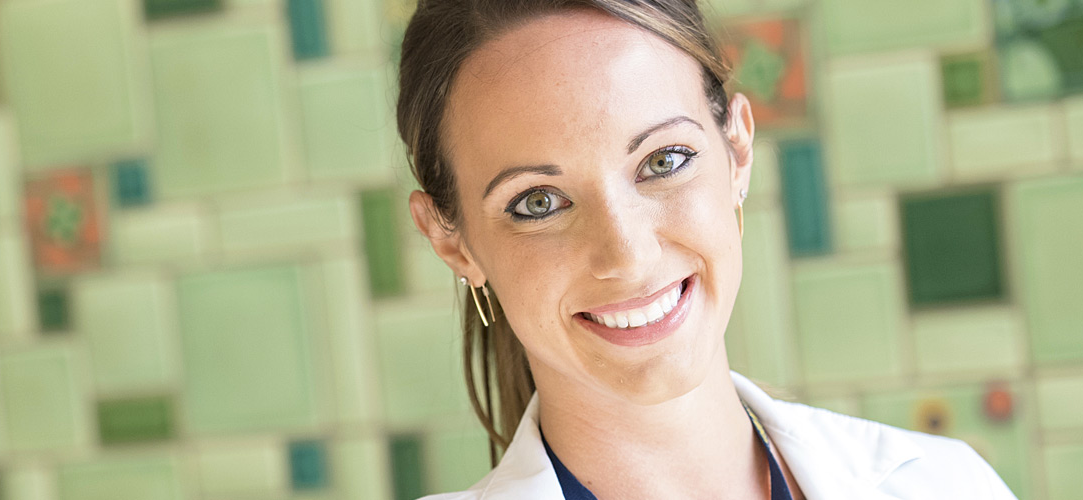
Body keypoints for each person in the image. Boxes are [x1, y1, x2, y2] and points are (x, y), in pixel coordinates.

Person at [394, 1, 1018, 498]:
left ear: (737, 151)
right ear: (450, 239)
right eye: (538, 202)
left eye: (663, 161)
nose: (628, 255)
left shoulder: (945, 485)